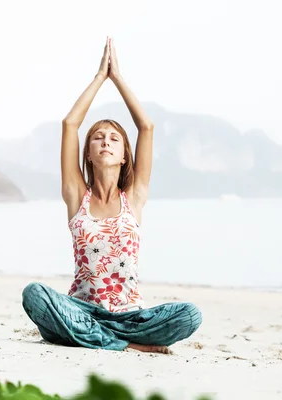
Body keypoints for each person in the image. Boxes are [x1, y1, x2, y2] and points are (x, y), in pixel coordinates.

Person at [22, 37, 202, 354]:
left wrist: (116, 77)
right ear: (88, 154)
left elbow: (146, 127)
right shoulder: (76, 195)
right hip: (80, 309)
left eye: (114, 139)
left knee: (190, 315)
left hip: (131, 316)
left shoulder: (134, 197)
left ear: (123, 156)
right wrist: (97, 79)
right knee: (34, 294)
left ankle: (94, 338)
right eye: (98, 138)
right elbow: (70, 123)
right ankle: (126, 346)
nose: (105, 141)